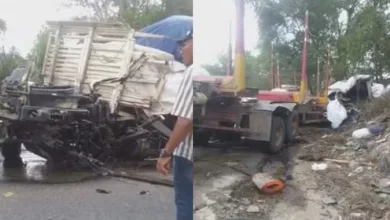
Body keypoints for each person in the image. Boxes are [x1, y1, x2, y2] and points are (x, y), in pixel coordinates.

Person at [156, 29, 193, 220]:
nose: (181, 51)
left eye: (184, 45)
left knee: (185, 201)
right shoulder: (204, 72)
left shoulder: (192, 72)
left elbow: (185, 120)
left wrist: (166, 153)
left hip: (187, 155)